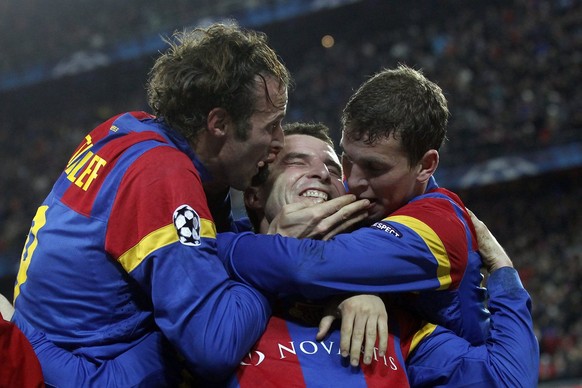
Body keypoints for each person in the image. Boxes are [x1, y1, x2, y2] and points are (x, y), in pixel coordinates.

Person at [10, 22, 370, 387]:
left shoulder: (130, 129)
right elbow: (213, 346)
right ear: (219, 123)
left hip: (45, 343)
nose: (279, 142)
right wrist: (279, 254)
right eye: (272, 125)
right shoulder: (161, 175)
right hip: (80, 373)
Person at [227, 122, 538, 387]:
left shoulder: (391, 323)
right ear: (254, 196)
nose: (322, 173)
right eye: (296, 161)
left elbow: (506, 379)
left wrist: (502, 270)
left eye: (334, 169)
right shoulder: (214, 285)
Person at [218, 65, 490, 358]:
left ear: (425, 166)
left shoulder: (437, 224)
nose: (353, 182)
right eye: (346, 162)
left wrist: (205, 247)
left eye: (374, 167)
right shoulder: (365, 208)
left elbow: (307, 266)